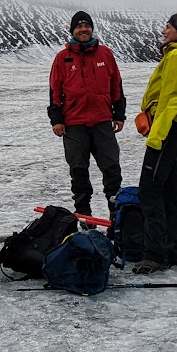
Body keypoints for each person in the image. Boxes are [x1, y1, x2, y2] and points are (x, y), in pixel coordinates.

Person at [132, 13, 177, 274]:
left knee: (150, 191)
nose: (164, 30)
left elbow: (171, 99)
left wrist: (157, 136)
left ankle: (155, 255)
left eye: (169, 26)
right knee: (169, 190)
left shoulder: (176, 56)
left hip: (170, 131)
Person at [48, 11, 126, 216]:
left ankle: (116, 216)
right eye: (79, 26)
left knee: (112, 170)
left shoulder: (105, 54)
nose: (84, 29)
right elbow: (55, 90)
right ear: (73, 31)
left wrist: (119, 114)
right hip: (74, 124)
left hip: (101, 121)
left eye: (87, 26)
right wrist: (56, 120)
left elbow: (116, 84)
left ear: (92, 29)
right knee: (79, 171)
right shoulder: (62, 58)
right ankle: (84, 216)